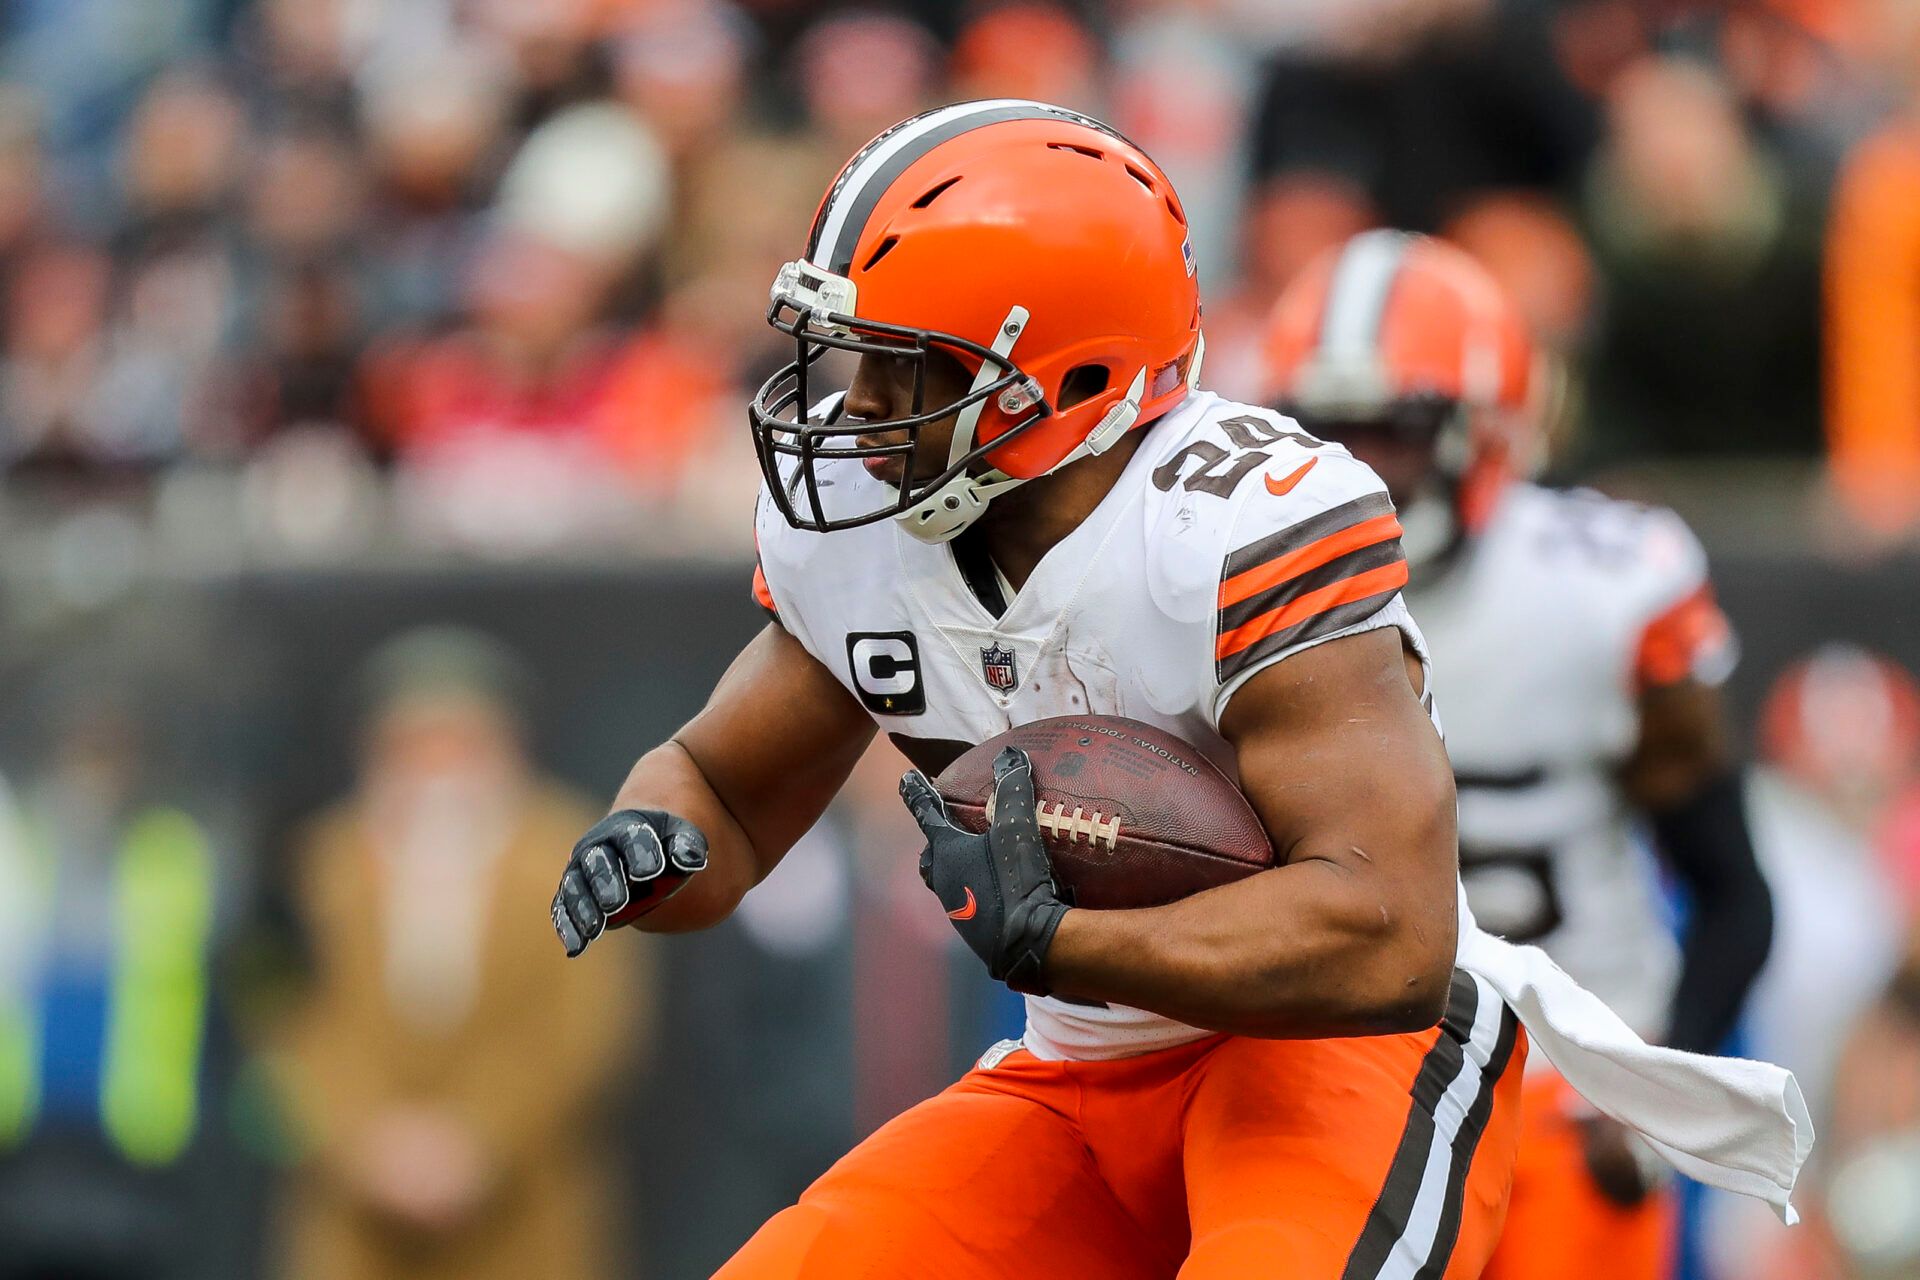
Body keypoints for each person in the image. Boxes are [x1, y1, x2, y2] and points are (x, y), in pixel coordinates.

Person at [549, 101, 1807, 1279]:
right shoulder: (863, 541)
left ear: (1067, 377)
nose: (855, 408)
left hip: (1338, 1058)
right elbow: (722, 785)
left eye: (902, 369)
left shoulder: (1232, 526)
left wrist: (1063, 940)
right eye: (848, 360)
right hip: (1085, 1069)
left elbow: (1391, 935)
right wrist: (654, 839)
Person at [1262, 229, 1778, 1280]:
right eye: (1327, 429)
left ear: (1484, 429)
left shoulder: (1605, 589)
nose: (1356, 467)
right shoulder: (1237, 590)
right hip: (1338, 1087)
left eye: (1393, 428)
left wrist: (1650, 1085)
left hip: (1562, 1087)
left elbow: (1733, 890)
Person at [271, 628, 643, 1280]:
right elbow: (284, 1023)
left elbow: (587, 1029)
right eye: (414, 748)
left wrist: (477, 1142)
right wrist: (367, 1144)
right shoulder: (318, 867)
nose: (438, 771)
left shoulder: (575, 860)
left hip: (526, 1227)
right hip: (354, 1235)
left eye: (461, 746)